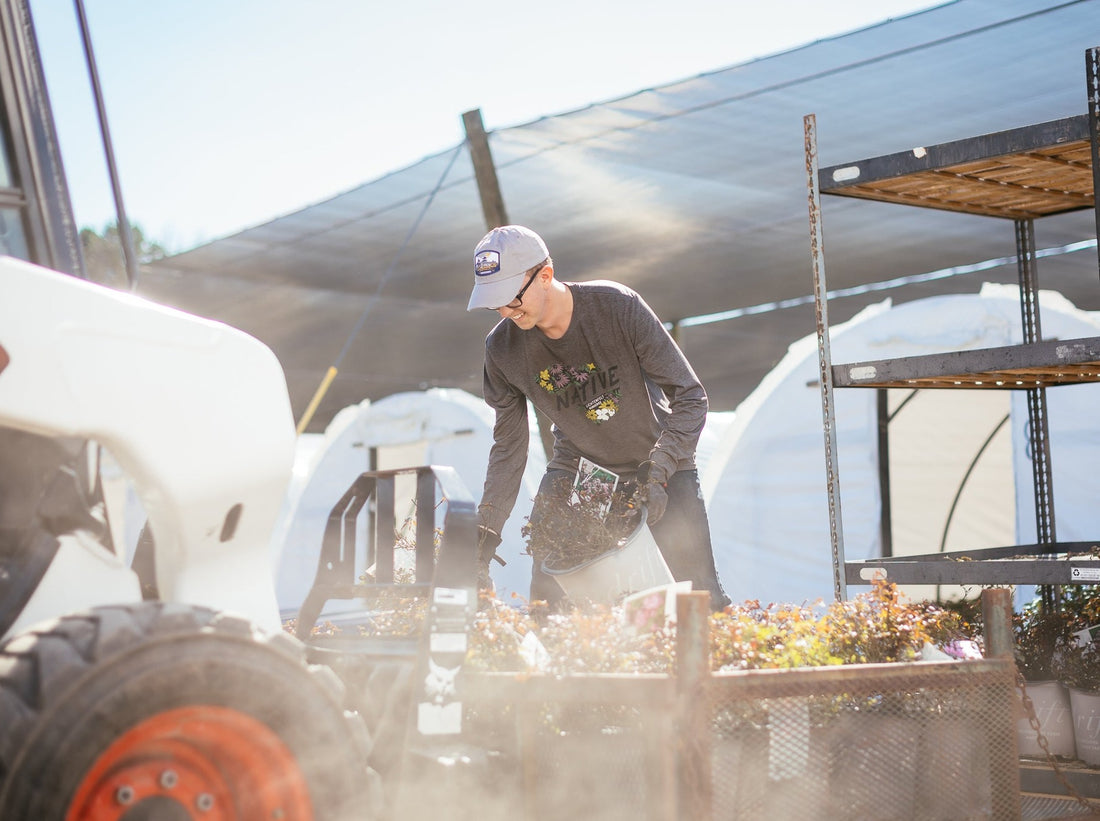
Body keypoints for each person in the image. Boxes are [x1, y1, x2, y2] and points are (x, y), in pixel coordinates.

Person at [466, 225, 730, 611]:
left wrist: (659, 470)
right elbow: (508, 447)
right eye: (495, 303)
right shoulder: (502, 349)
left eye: (510, 298)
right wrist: (484, 538)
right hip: (583, 472)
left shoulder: (616, 307)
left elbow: (690, 397)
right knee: (552, 601)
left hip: (658, 464)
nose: (506, 311)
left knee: (698, 598)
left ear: (545, 275)